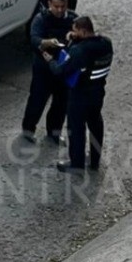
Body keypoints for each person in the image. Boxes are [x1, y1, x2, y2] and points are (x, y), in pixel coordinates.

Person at [44, 15, 112, 172]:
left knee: (76, 128)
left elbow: (61, 70)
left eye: (75, 30)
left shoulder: (79, 50)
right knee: (95, 124)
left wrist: (50, 60)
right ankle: (95, 160)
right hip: (98, 92)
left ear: (82, 31)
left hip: (80, 95)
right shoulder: (106, 43)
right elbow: (88, 56)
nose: (72, 32)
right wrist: (75, 39)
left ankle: (76, 163)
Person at [21, 0, 74, 145]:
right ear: (49, 4)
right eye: (56, 6)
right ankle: (28, 130)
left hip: (63, 68)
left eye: (63, 6)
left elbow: (81, 36)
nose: (59, 10)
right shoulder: (41, 19)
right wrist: (48, 42)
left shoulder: (73, 19)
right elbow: (34, 39)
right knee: (37, 101)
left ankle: (54, 133)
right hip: (43, 68)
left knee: (61, 103)